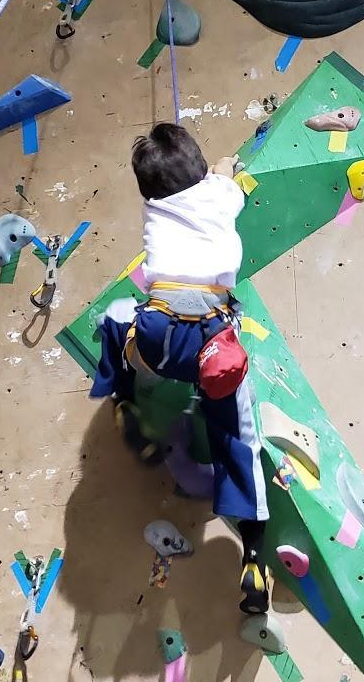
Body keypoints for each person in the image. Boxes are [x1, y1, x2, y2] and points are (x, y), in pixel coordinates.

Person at [90, 122, 270, 615]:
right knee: (239, 439)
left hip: (156, 333)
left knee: (115, 320)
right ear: (202, 171)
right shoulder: (219, 196)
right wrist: (223, 170)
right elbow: (225, 178)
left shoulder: (153, 209)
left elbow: (183, 186)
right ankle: (254, 556)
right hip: (211, 345)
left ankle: (124, 399)